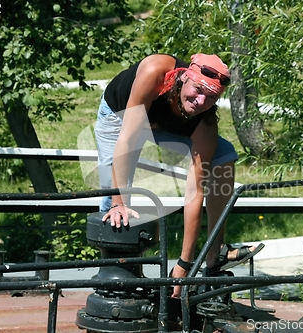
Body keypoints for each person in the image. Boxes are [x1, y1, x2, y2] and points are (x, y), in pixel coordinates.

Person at [94, 53, 263, 298]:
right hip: (120, 116)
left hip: (166, 122)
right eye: (198, 89)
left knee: (224, 154)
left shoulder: (204, 122)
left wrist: (184, 265)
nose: (200, 100)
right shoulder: (154, 72)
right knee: (117, 196)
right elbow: (128, 139)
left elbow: (195, 193)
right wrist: (119, 202)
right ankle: (114, 276)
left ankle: (216, 253)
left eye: (211, 97)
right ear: (184, 77)